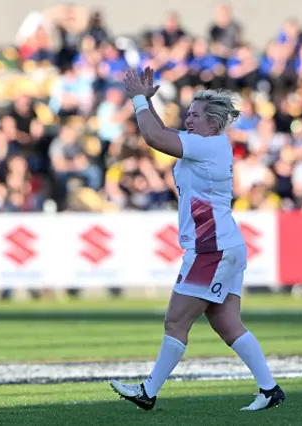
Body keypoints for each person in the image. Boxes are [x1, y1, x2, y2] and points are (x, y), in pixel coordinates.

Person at [109, 67, 285, 412]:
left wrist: (137, 99)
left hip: (211, 247)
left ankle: (148, 390)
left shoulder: (208, 146)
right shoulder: (210, 144)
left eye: (195, 117)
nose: (188, 121)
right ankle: (270, 389)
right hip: (224, 245)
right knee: (226, 322)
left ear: (214, 124)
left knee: (176, 320)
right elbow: (161, 131)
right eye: (187, 115)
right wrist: (146, 100)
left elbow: (155, 139)